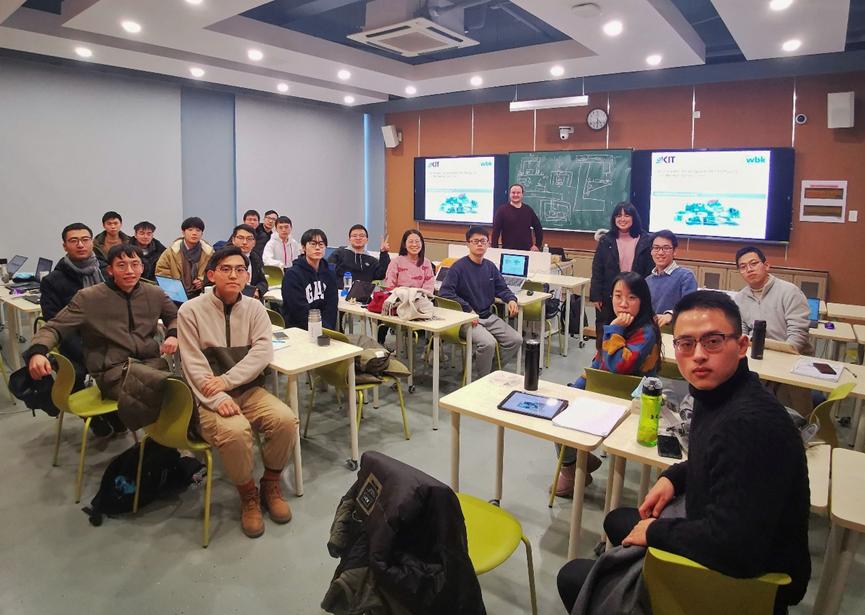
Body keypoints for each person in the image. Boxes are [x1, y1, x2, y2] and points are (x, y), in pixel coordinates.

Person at [557, 291, 810, 614]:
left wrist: (656, 532)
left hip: (744, 582)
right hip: (717, 526)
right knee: (619, 520)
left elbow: (734, 547)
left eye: (713, 341)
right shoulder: (720, 393)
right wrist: (675, 477)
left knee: (572, 576)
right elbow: (715, 458)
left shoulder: (749, 426)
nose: (698, 355)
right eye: (686, 343)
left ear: (742, 345)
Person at [177, 246, 298, 538]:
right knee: (235, 432)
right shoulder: (190, 311)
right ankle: (248, 495)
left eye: (240, 270)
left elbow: (262, 352)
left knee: (285, 421)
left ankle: (270, 483)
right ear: (211, 275)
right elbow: (192, 363)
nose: (234, 275)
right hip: (208, 396)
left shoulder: (255, 309)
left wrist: (228, 381)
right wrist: (218, 396)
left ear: (247, 276)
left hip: (248, 390)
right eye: (226, 269)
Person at [25, 244, 178, 403]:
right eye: (121, 265)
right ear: (110, 270)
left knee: (178, 390)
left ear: (142, 268)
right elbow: (54, 328)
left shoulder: (154, 293)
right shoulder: (89, 298)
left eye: (135, 264)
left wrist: (173, 334)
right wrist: (38, 352)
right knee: (166, 393)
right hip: (114, 372)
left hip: (152, 364)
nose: (129, 271)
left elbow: (174, 317)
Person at [554, 271, 661, 497]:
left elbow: (617, 366)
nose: (623, 303)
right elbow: (598, 363)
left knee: (571, 416)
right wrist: (577, 386)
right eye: (618, 296)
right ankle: (574, 466)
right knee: (560, 408)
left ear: (642, 300)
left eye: (631, 297)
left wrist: (615, 329)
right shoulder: (614, 324)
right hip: (603, 395)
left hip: (628, 404)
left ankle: (576, 466)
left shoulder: (647, 331)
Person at [39, 222, 114, 435]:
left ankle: (115, 409)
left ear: (92, 242)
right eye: (74, 241)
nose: (80, 245)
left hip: (109, 333)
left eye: (85, 239)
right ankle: (91, 416)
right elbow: (54, 320)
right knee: (79, 369)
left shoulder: (107, 271)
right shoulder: (54, 280)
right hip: (74, 338)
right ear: (65, 246)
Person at [439, 225, 522, 377]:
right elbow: (445, 292)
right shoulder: (458, 267)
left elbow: (502, 288)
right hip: (466, 319)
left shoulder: (490, 267)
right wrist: (467, 309)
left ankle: (490, 372)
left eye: (483, 241)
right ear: (468, 244)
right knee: (488, 343)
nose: (479, 244)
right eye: (475, 241)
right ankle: (482, 379)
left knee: (516, 340)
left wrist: (511, 299)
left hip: (487, 315)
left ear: (488, 244)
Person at [590, 202, 654, 351]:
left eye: (627, 215)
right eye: (619, 215)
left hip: (634, 294)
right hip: (610, 294)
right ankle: (603, 356)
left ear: (634, 218)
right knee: (606, 328)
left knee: (633, 329)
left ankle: (627, 358)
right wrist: (596, 296)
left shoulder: (645, 240)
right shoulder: (606, 240)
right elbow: (597, 268)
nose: (622, 219)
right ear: (614, 218)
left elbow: (649, 270)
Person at [733, 245, 811, 354]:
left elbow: (798, 335)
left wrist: (782, 356)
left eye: (753, 263)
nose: (749, 269)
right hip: (755, 352)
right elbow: (742, 334)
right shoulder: (739, 298)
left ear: (766, 266)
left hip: (789, 354)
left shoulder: (790, 291)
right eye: (743, 267)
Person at [281, 228, 337, 331]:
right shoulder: (292, 275)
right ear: (303, 248)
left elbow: (331, 307)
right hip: (299, 329)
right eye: (313, 244)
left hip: (325, 330)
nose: (317, 248)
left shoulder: (330, 273)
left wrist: (327, 330)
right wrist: (318, 329)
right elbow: (298, 310)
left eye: (321, 244)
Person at [645, 229, 697, 327]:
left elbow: (691, 306)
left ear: (675, 251)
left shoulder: (685, 276)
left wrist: (671, 315)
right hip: (652, 330)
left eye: (666, 248)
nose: (660, 252)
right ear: (651, 251)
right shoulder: (648, 280)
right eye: (656, 248)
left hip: (676, 330)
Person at [155, 216, 213, 299]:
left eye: (198, 230)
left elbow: (214, 272)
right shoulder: (171, 252)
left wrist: (203, 280)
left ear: (202, 233)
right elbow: (161, 271)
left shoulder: (209, 253)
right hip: (176, 294)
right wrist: (175, 287)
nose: (194, 233)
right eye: (190, 230)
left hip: (200, 294)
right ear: (183, 232)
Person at [491, 183, 543, 251]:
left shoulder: (528, 210)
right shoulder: (502, 210)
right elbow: (496, 231)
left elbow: (538, 228)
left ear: (522, 194)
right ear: (509, 194)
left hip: (527, 250)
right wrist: (494, 249)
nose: (516, 195)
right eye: (513, 193)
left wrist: (537, 245)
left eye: (518, 193)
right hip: (508, 250)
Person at [229, 224, 268, 300]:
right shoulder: (224, 258)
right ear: (233, 240)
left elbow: (263, 282)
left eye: (249, 239)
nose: (244, 242)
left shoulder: (256, 258)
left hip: (252, 299)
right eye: (240, 238)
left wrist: (258, 291)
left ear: (254, 242)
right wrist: (249, 292)